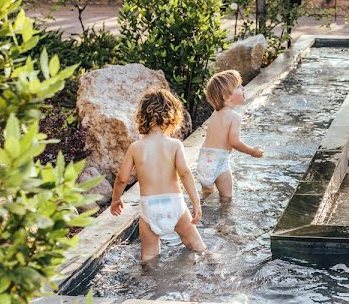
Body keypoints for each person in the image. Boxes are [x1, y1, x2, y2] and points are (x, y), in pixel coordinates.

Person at [110, 88, 206, 262]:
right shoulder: (175, 145)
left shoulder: (136, 148)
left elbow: (122, 178)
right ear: (172, 117)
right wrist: (196, 202)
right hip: (175, 205)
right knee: (197, 247)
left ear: (142, 117)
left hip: (149, 208)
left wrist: (116, 199)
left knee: (149, 257)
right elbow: (184, 173)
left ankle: (153, 284)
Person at [197, 70, 264, 199]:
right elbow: (234, 142)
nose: (243, 87)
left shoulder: (214, 115)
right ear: (226, 97)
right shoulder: (235, 117)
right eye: (239, 86)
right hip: (219, 160)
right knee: (226, 199)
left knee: (206, 196)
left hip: (204, 159)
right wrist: (252, 151)